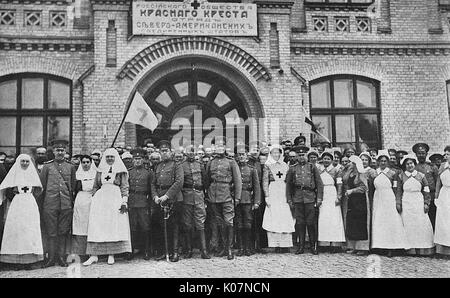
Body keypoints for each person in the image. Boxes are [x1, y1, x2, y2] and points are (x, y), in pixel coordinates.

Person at [83, 148, 131, 266]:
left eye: (112, 157)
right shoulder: (100, 171)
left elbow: (124, 187)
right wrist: (94, 197)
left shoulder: (120, 171)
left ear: (115, 158)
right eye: (107, 156)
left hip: (115, 198)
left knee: (112, 225)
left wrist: (124, 201)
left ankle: (111, 254)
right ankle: (94, 255)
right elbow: (95, 186)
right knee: (98, 225)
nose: (109, 159)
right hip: (100, 200)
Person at [0, 154, 43, 269]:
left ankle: (30, 260)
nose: (25, 163)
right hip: (17, 203)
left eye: (27, 161)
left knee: (29, 229)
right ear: (18, 162)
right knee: (17, 230)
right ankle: (15, 260)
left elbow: (39, 189)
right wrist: (13, 195)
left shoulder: (33, 174)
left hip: (30, 203)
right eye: (22, 161)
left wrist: (32, 197)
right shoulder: (14, 174)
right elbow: (5, 187)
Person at [40, 139, 76, 268]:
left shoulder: (71, 167)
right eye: (57, 150)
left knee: (63, 232)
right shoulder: (47, 166)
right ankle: (51, 258)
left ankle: (61, 257)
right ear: (53, 152)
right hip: (50, 204)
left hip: (66, 204)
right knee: (51, 232)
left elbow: (72, 186)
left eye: (62, 150)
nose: (60, 152)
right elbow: (42, 187)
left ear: (65, 152)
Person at [205, 136, 242, 260]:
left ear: (225, 147)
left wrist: (237, 197)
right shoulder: (210, 162)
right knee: (219, 223)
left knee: (228, 222)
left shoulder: (231, 162)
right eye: (217, 146)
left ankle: (229, 249)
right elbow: (207, 180)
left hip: (227, 196)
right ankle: (222, 248)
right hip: (213, 196)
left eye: (222, 145)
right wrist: (207, 196)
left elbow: (238, 181)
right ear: (214, 147)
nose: (220, 148)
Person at [368, 150, 409, 257]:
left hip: (389, 198)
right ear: (377, 162)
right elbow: (371, 188)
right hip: (378, 199)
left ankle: (392, 247)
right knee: (379, 221)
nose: (383, 163)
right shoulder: (374, 173)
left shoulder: (393, 173)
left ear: (388, 162)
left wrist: (397, 201)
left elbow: (396, 188)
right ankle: (379, 246)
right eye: (381, 161)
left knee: (390, 222)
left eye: (385, 161)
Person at [286, 145, 323, 255]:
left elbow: (319, 184)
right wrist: (289, 199)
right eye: (299, 155)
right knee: (300, 223)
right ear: (296, 156)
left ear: (306, 155)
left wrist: (319, 198)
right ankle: (301, 246)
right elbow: (288, 186)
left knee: (311, 223)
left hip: (310, 198)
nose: (301, 157)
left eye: (303, 155)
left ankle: (313, 246)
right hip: (298, 198)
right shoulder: (293, 168)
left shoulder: (312, 167)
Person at [151, 140, 184, 262]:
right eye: (162, 151)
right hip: (160, 199)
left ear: (170, 152)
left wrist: (167, 196)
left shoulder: (177, 165)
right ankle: (163, 251)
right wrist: (155, 196)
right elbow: (153, 184)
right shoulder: (158, 166)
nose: (164, 153)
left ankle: (175, 252)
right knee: (161, 226)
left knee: (174, 226)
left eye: (166, 151)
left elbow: (179, 182)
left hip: (174, 199)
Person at [397, 154, 435, 256]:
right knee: (408, 224)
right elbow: (399, 191)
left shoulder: (421, 175)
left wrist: (426, 203)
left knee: (420, 224)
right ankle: (410, 249)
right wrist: (398, 203)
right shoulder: (401, 176)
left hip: (418, 201)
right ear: (405, 166)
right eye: (407, 164)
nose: (410, 165)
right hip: (407, 201)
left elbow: (426, 190)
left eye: (411, 163)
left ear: (414, 164)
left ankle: (422, 248)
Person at [262, 144, 295, 253]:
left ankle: (285, 244)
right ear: (270, 154)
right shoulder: (267, 165)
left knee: (284, 217)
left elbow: (289, 181)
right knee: (274, 217)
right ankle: (275, 244)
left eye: (278, 152)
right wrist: (266, 196)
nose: (276, 155)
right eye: (273, 153)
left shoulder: (285, 165)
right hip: (273, 192)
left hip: (283, 192)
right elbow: (265, 181)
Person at [180, 145, 210, 260]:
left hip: (199, 196)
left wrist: (203, 195)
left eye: (193, 151)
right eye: (189, 151)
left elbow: (206, 181)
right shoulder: (181, 166)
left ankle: (204, 250)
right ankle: (188, 250)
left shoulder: (200, 165)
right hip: (186, 197)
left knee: (200, 223)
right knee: (187, 224)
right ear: (185, 153)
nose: (191, 153)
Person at [317, 150, 346, 252]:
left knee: (334, 218)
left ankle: (335, 243)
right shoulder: (319, 170)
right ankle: (324, 243)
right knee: (324, 218)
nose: (326, 160)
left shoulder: (336, 171)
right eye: (324, 158)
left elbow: (339, 183)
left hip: (332, 194)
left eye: (328, 159)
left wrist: (338, 196)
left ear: (332, 160)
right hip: (323, 194)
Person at [127, 148, 153, 261]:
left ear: (143, 160)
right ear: (132, 160)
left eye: (139, 159)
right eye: (135, 159)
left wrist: (150, 204)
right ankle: (131, 250)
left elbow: (151, 190)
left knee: (145, 227)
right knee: (132, 227)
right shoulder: (129, 172)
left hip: (143, 202)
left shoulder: (148, 172)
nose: (137, 161)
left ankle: (146, 250)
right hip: (132, 202)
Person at [341, 155, 370, 255]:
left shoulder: (361, 173)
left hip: (360, 200)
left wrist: (352, 191)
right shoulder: (350, 173)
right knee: (352, 222)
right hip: (352, 200)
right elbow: (344, 180)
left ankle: (361, 247)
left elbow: (364, 187)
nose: (349, 164)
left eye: (351, 163)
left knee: (360, 223)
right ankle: (352, 246)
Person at [235, 147, 261, 256]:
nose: (241, 156)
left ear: (246, 156)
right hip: (237, 199)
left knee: (248, 224)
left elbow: (256, 187)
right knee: (239, 224)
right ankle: (240, 248)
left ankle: (248, 247)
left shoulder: (251, 169)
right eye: (239, 154)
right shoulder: (234, 168)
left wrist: (256, 201)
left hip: (247, 199)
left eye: (243, 154)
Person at [71, 155, 97, 259]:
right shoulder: (77, 174)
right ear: (81, 163)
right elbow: (74, 189)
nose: (86, 164)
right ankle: (80, 252)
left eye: (87, 162)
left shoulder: (95, 174)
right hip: (80, 200)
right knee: (79, 225)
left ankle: (91, 252)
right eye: (83, 162)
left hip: (92, 200)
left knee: (90, 225)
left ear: (91, 163)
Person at [413, 143, 439, 229]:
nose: (421, 155)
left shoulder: (432, 167)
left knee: (433, 217)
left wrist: (436, 196)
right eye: (419, 153)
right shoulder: (414, 168)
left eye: (423, 153)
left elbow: (437, 182)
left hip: (431, 195)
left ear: (426, 154)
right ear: (416, 154)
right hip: (419, 196)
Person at [434, 146, 450, 256]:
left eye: (448, 154)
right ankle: (445, 249)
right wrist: (436, 197)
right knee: (444, 220)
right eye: (445, 154)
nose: (445, 156)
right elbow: (438, 183)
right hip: (444, 195)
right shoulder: (443, 166)